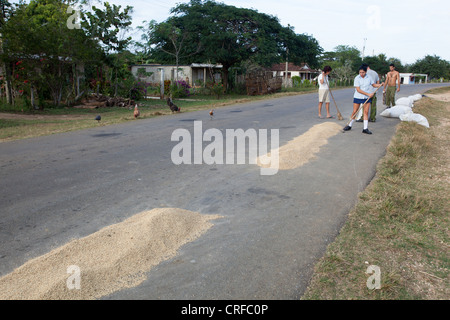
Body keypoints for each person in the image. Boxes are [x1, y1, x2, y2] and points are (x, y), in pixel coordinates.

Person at [343, 65, 384, 135]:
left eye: (363, 72)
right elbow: (358, 90)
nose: (361, 74)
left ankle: (365, 128)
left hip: (366, 98)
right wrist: (368, 94)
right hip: (358, 96)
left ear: (365, 72)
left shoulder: (369, 77)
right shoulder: (357, 78)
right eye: (360, 72)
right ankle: (349, 125)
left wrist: (380, 84)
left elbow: (373, 85)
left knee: (366, 112)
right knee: (355, 111)